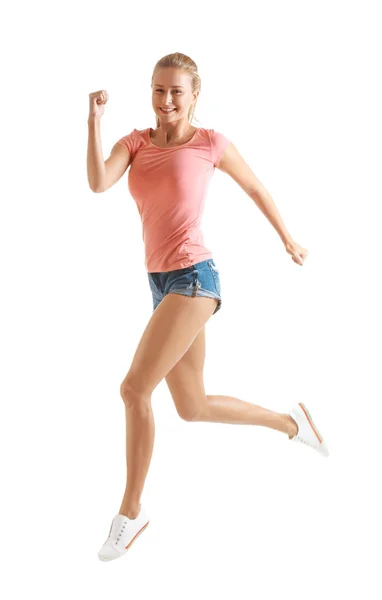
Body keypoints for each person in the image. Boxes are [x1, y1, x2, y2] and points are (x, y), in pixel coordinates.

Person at [87, 52, 329, 563]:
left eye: (177, 91)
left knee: (134, 389)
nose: (166, 100)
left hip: (196, 279)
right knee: (191, 407)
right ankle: (292, 423)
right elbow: (98, 181)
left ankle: (130, 513)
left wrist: (289, 240)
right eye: (158, 90)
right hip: (160, 283)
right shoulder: (133, 143)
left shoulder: (210, 143)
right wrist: (94, 121)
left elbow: (256, 188)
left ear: (195, 95)